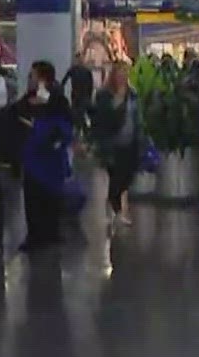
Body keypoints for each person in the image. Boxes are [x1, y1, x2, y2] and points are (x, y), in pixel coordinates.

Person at [11, 61, 76, 252]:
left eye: (32, 76)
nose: (29, 79)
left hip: (48, 158)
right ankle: (37, 235)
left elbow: (64, 125)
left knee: (48, 198)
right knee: (33, 198)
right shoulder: (28, 100)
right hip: (33, 158)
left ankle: (48, 233)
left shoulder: (56, 101)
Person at [89, 64, 142, 228]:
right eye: (120, 74)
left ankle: (113, 205)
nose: (123, 77)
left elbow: (137, 117)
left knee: (127, 177)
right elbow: (104, 119)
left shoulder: (132, 94)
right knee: (116, 178)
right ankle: (116, 211)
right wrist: (117, 103)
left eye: (125, 74)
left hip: (130, 142)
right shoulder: (105, 95)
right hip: (113, 143)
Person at [63, 60, 95, 133]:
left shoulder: (73, 70)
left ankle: (81, 131)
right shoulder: (86, 71)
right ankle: (84, 131)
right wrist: (90, 96)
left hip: (78, 95)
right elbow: (91, 85)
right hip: (82, 95)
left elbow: (64, 81)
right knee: (79, 114)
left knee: (77, 114)